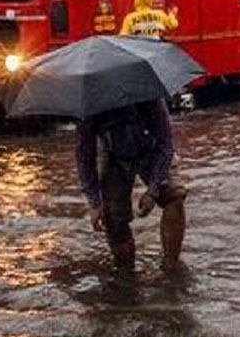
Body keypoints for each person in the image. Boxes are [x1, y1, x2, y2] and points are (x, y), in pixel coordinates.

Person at [75, 100, 187, 270]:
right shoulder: (92, 104)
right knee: (112, 218)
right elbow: (84, 154)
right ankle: (126, 273)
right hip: (114, 156)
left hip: (152, 149)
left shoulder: (148, 93)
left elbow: (166, 143)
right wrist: (95, 203)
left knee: (175, 197)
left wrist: (153, 191)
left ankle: (171, 265)